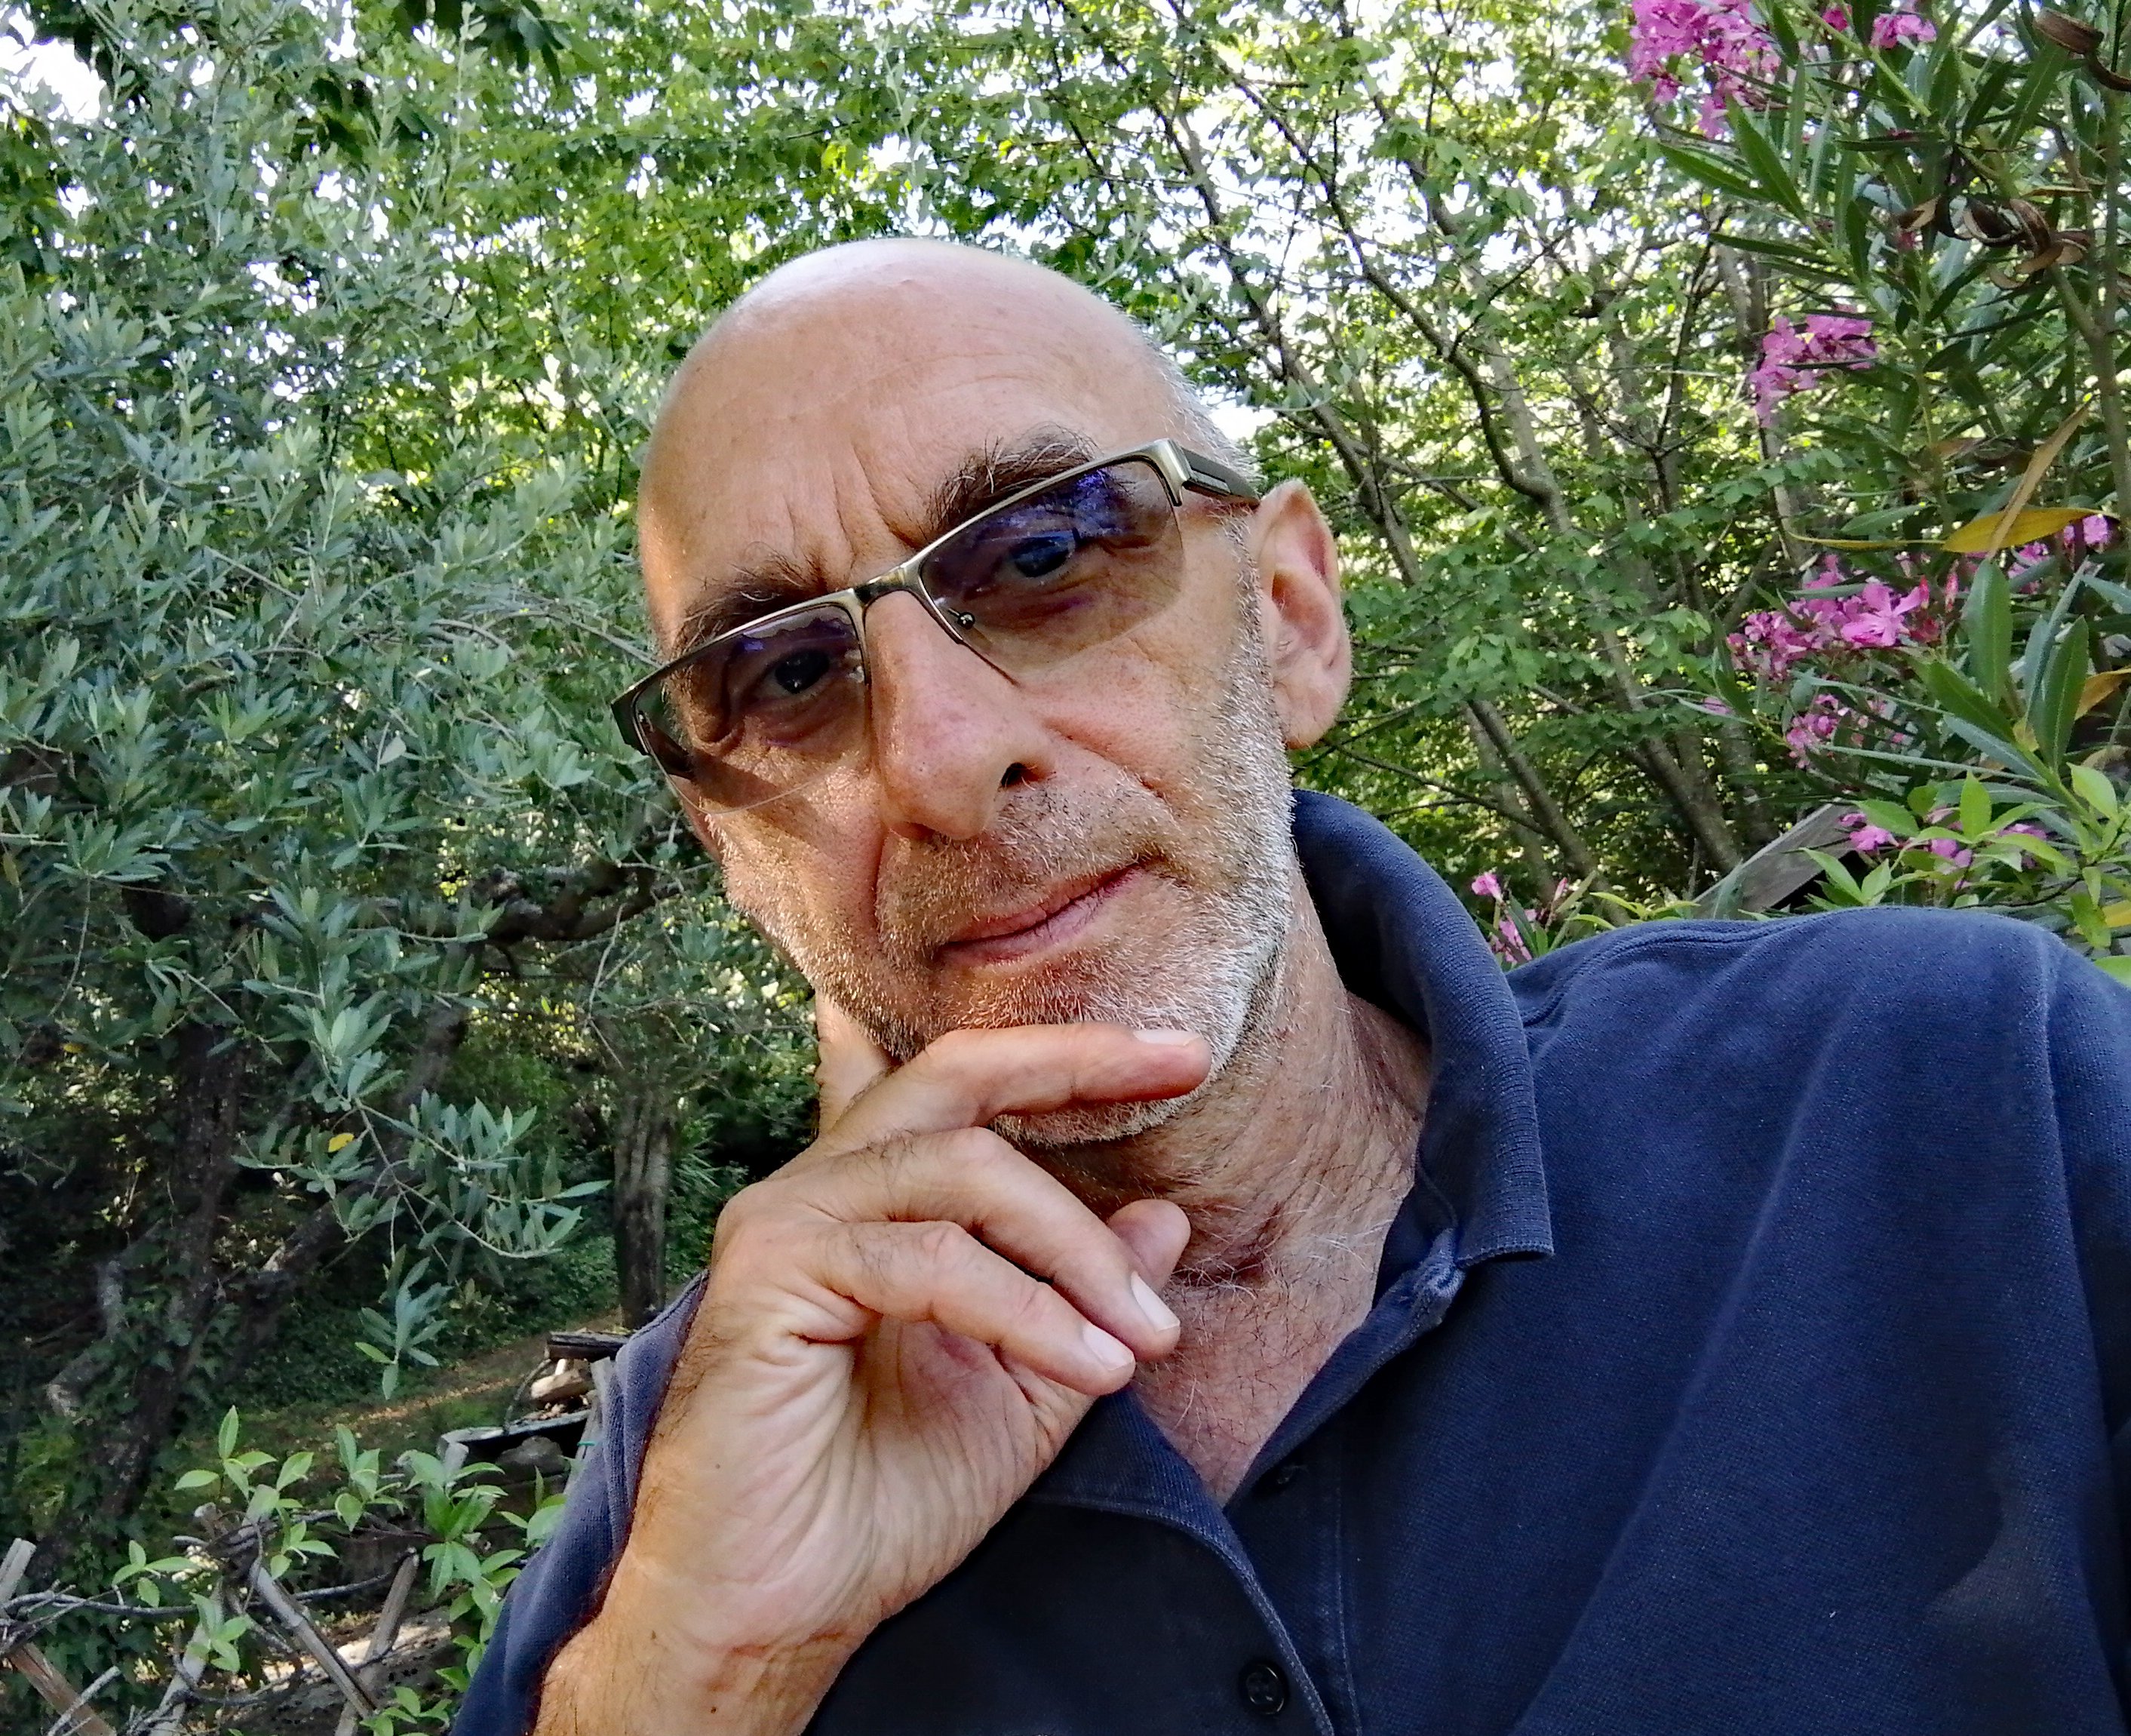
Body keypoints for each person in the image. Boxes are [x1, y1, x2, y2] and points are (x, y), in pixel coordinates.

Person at [456, 239, 2131, 1736]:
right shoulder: (698, 1453)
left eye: (1043, 556)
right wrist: (699, 1675)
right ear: (732, 844)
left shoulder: (1954, 1093)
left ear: (1290, 616)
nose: (944, 758)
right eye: (788, 674)